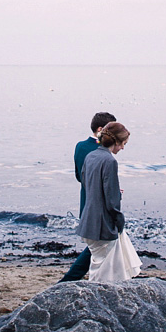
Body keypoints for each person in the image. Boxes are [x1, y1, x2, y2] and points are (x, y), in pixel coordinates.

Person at [75, 121, 142, 282]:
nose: (123, 148)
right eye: (123, 144)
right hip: (101, 224)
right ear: (116, 142)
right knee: (106, 269)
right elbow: (111, 201)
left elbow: (86, 183)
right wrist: (119, 220)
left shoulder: (91, 156)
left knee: (98, 264)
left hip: (87, 220)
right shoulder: (110, 161)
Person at [59, 112, 116, 282]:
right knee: (98, 244)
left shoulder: (80, 146)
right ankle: (70, 279)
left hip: (85, 198)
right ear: (100, 129)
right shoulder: (101, 151)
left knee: (98, 244)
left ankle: (98, 277)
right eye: (110, 129)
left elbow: (79, 175)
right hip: (98, 202)